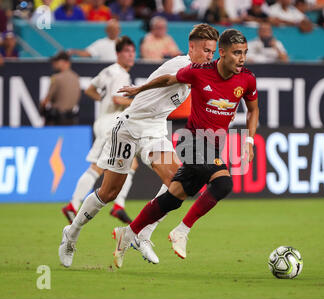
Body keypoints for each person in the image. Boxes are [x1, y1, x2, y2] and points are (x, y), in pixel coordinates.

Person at [58, 23, 220, 268]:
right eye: (206, 50)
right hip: (128, 127)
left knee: (179, 184)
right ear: (192, 47)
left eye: (213, 51)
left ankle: (143, 234)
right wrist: (140, 89)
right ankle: (71, 234)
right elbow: (169, 79)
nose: (210, 56)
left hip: (154, 130)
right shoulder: (181, 66)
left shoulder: (198, 72)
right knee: (108, 193)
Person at [112, 28, 259, 267]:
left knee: (174, 197)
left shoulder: (247, 79)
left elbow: (253, 109)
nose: (242, 58)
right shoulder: (199, 72)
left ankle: (127, 233)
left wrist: (249, 140)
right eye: (236, 53)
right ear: (222, 53)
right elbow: (168, 80)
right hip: (189, 140)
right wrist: (139, 89)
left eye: (244, 53)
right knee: (223, 183)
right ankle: (182, 230)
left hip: (212, 146)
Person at [61, 36, 137, 225]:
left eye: (132, 51)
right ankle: (73, 204)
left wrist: (102, 100)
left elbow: (90, 90)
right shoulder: (120, 74)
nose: (131, 55)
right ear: (118, 54)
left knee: (131, 162)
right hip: (111, 124)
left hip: (104, 121)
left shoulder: (108, 71)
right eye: (127, 52)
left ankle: (118, 205)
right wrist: (136, 102)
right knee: (98, 167)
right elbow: (118, 100)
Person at [40, 51, 81, 125]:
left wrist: (42, 109)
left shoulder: (56, 78)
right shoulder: (76, 77)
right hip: (71, 119)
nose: (54, 64)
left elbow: (47, 100)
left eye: (56, 61)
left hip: (56, 120)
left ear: (64, 62)